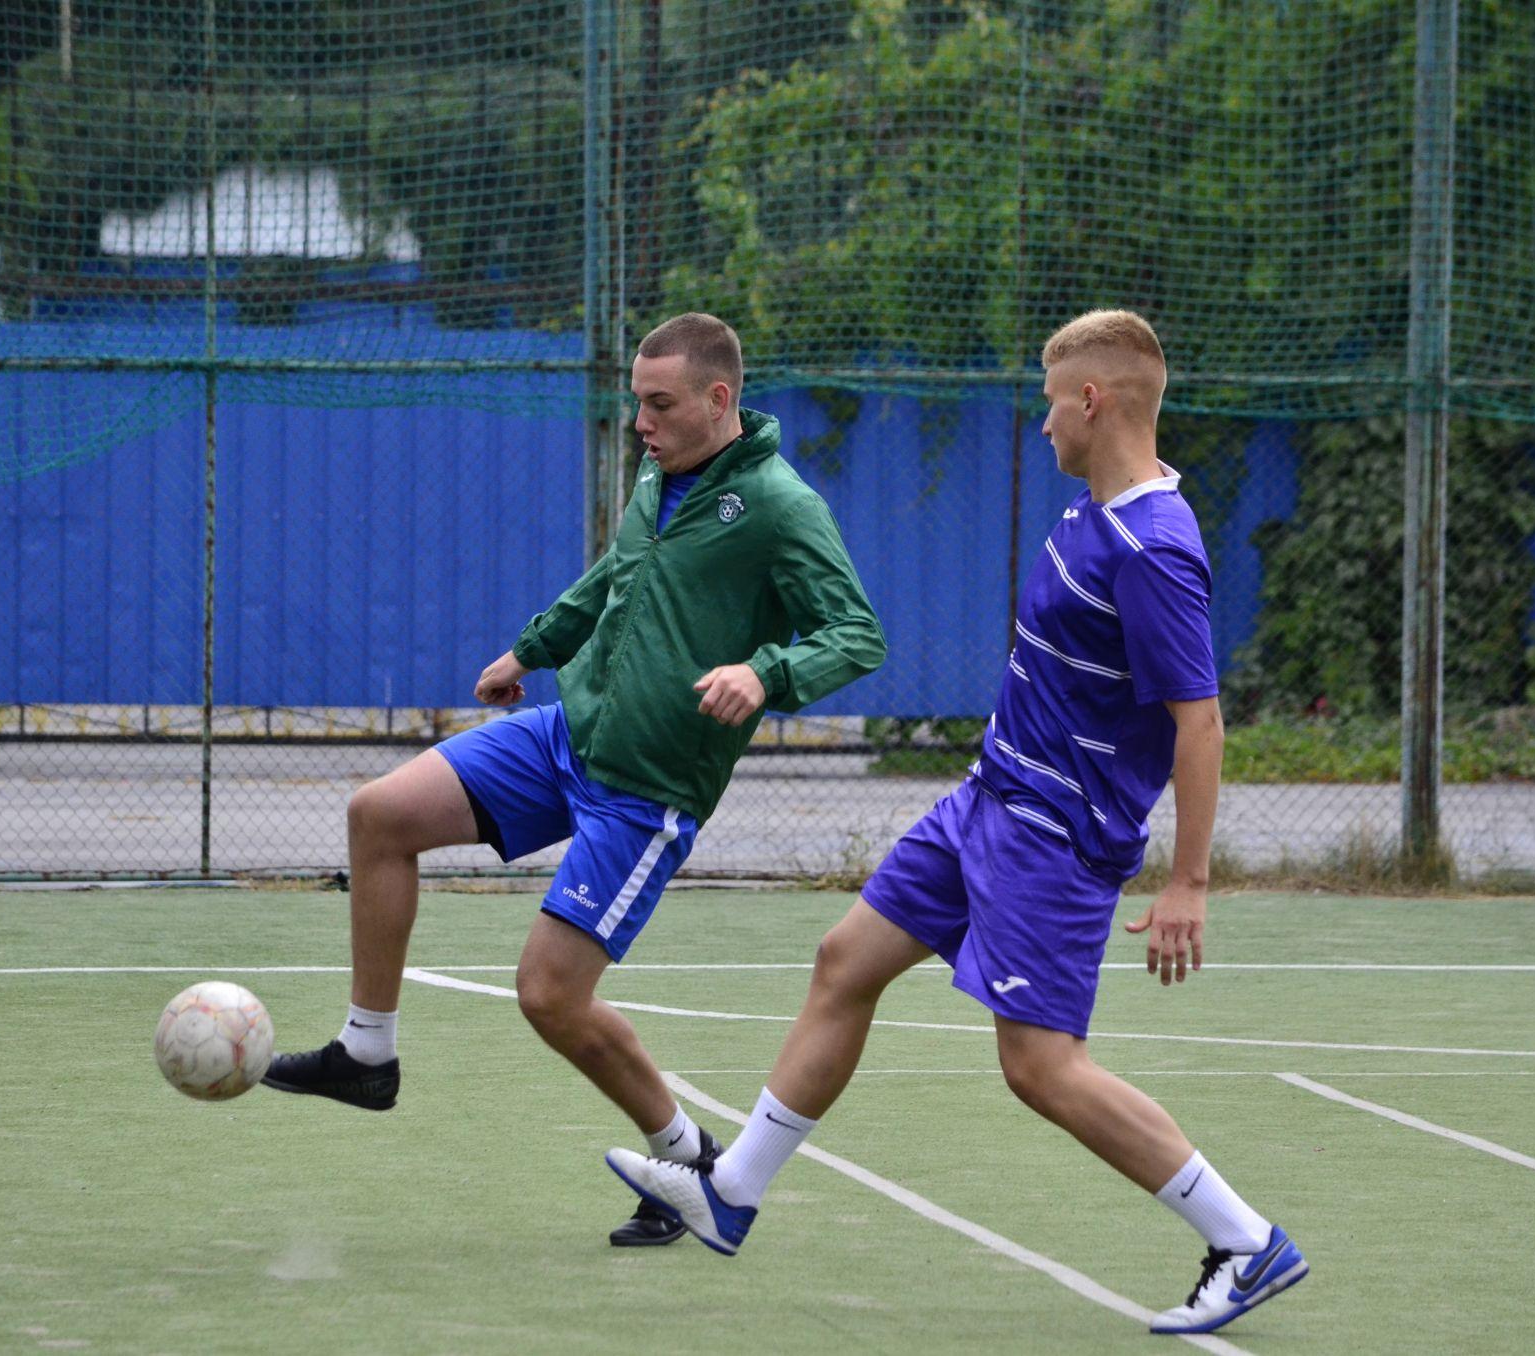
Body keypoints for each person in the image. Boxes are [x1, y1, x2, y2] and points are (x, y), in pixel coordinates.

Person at [605, 309, 1305, 1336]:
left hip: (1052, 838)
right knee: (845, 961)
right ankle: (733, 1190)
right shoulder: (1091, 512)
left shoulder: (1152, 550)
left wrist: (1188, 882)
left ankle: (1244, 1241)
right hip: (986, 802)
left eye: (1050, 403)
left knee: (1040, 1067)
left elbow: (1197, 723)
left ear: (1092, 401)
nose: (1042, 423)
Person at [263, 312, 887, 1248]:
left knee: (550, 995)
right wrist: (535, 648)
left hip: (646, 791)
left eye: (659, 404)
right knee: (380, 815)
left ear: (718, 399)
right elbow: (614, 577)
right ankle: (367, 1053)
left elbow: (856, 634)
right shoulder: (661, 471)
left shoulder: (778, 506)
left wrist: (766, 674)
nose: (640, 421)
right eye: (638, 401)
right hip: (568, 735)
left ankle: (686, 1160)